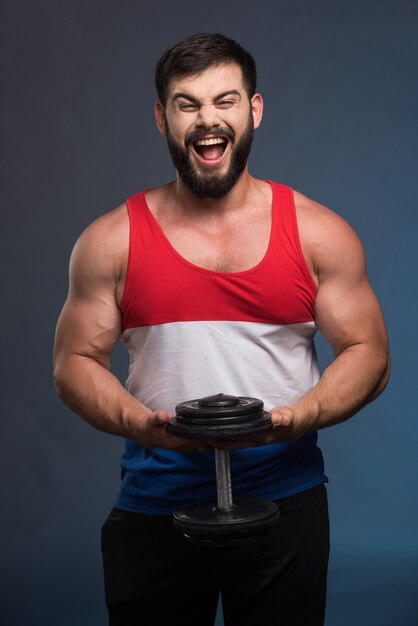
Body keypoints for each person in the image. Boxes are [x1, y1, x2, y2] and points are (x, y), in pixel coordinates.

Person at [53, 33, 390, 626]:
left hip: (285, 501)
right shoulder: (110, 241)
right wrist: (142, 424)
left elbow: (369, 353)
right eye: (188, 104)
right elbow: (73, 362)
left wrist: (297, 416)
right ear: (163, 118)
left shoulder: (318, 234)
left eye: (225, 100)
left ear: (253, 110)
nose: (208, 120)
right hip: (156, 504)